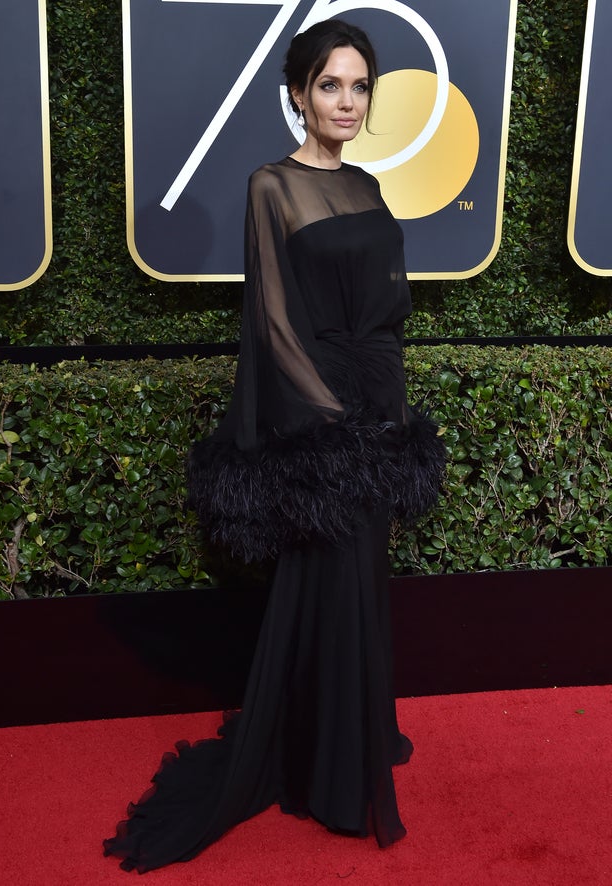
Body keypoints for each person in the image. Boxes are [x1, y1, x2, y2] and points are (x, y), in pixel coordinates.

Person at [104, 18, 445, 873]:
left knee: (362, 577)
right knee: (327, 573)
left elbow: (389, 302)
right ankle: (323, 770)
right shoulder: (273, 186)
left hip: (379, 391)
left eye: (359, 86)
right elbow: (274, 323)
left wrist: (388, 412)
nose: (347, 101)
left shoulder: (367, 185)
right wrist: (334, 424)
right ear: (297, 93)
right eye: (330, 84)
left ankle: (347, 737)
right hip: (323, 407)